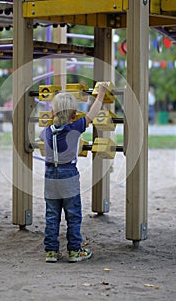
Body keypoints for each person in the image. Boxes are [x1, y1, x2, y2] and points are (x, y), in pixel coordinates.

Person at [40, 82, 108, 263]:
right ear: (72, 115)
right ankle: (74, 250)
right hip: (68, 174)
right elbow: (92, 114)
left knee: (52, 215)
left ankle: (51, 252)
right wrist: (100, 95)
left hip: (49, 175)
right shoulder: (74, 128)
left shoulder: (45, 132)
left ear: (53, 113)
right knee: (73, 214)